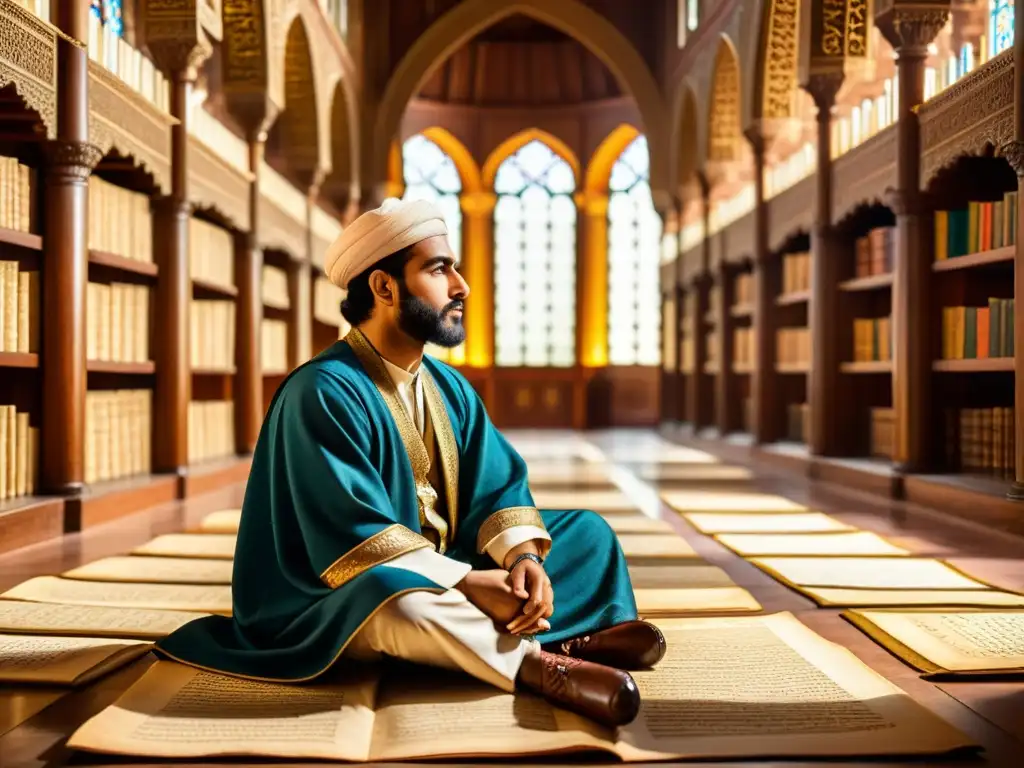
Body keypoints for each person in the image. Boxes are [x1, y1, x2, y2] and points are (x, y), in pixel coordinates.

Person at [154, 198, 665, 728]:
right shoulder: (322, 391)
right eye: (440, 268)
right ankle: (538, 664)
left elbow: (497, 490)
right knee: (395, 602)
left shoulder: (449, 387)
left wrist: (520, 563)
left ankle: (554, 631)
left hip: (442, 562)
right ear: (383, 287)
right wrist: (465, 583)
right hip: (331, 594)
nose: (461, 286)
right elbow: (351, 538)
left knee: (587, 533)